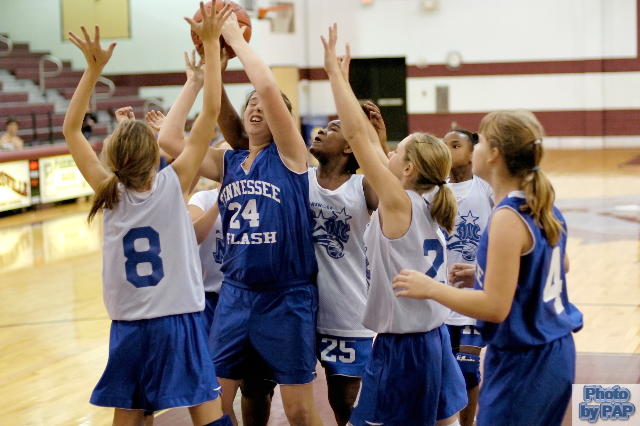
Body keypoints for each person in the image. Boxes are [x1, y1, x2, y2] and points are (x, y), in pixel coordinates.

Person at [61, 4, 233, 424]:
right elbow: (210, 114)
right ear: (152, 156)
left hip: (129, 325)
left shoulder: (108, 192)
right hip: (178, 319)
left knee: (132, 414)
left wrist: (92, 71)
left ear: (114, 156)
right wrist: (212, 47)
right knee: (207, 412)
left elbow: (71, 129)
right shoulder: (174, 184)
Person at [158, 13, 321, 426]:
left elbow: (266, 87)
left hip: (287, 296)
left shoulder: (291, 156)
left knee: (300, 410)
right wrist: (203, 74)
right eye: (250, 104)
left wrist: (233, 37)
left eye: (264, 106)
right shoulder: (228, 161)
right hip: (235, 294)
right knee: (214, 403)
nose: (256, 107)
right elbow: (170, 140)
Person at [393, 110, 584, 426]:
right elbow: (560, 264)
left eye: (479, 142)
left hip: (524, 360)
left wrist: (430, 288)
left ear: (494, 154)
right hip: (555, 351)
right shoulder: (540, 204)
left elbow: (495, 307)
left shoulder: (507, 216)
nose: (476, 148)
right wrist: (490, 272)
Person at [321, 24, 467, 426]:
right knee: (444, 421)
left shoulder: (399, 203)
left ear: (407, 169)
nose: (386, 152)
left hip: (404, 347)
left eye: (395, 151)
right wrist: (347, 87)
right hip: (433, 337)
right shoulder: (433, 196)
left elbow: (357, 137)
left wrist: (334, 75)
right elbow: (372, 144)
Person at [440, 128, 493, 426]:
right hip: (441, 297)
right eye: (443, 145)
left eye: (455, 145)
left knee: (468, 371)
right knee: (444, 373)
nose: (447, 150)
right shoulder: (436, 191)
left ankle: (468, 423)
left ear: (473, 153)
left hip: (474, 298)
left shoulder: (485, 188)